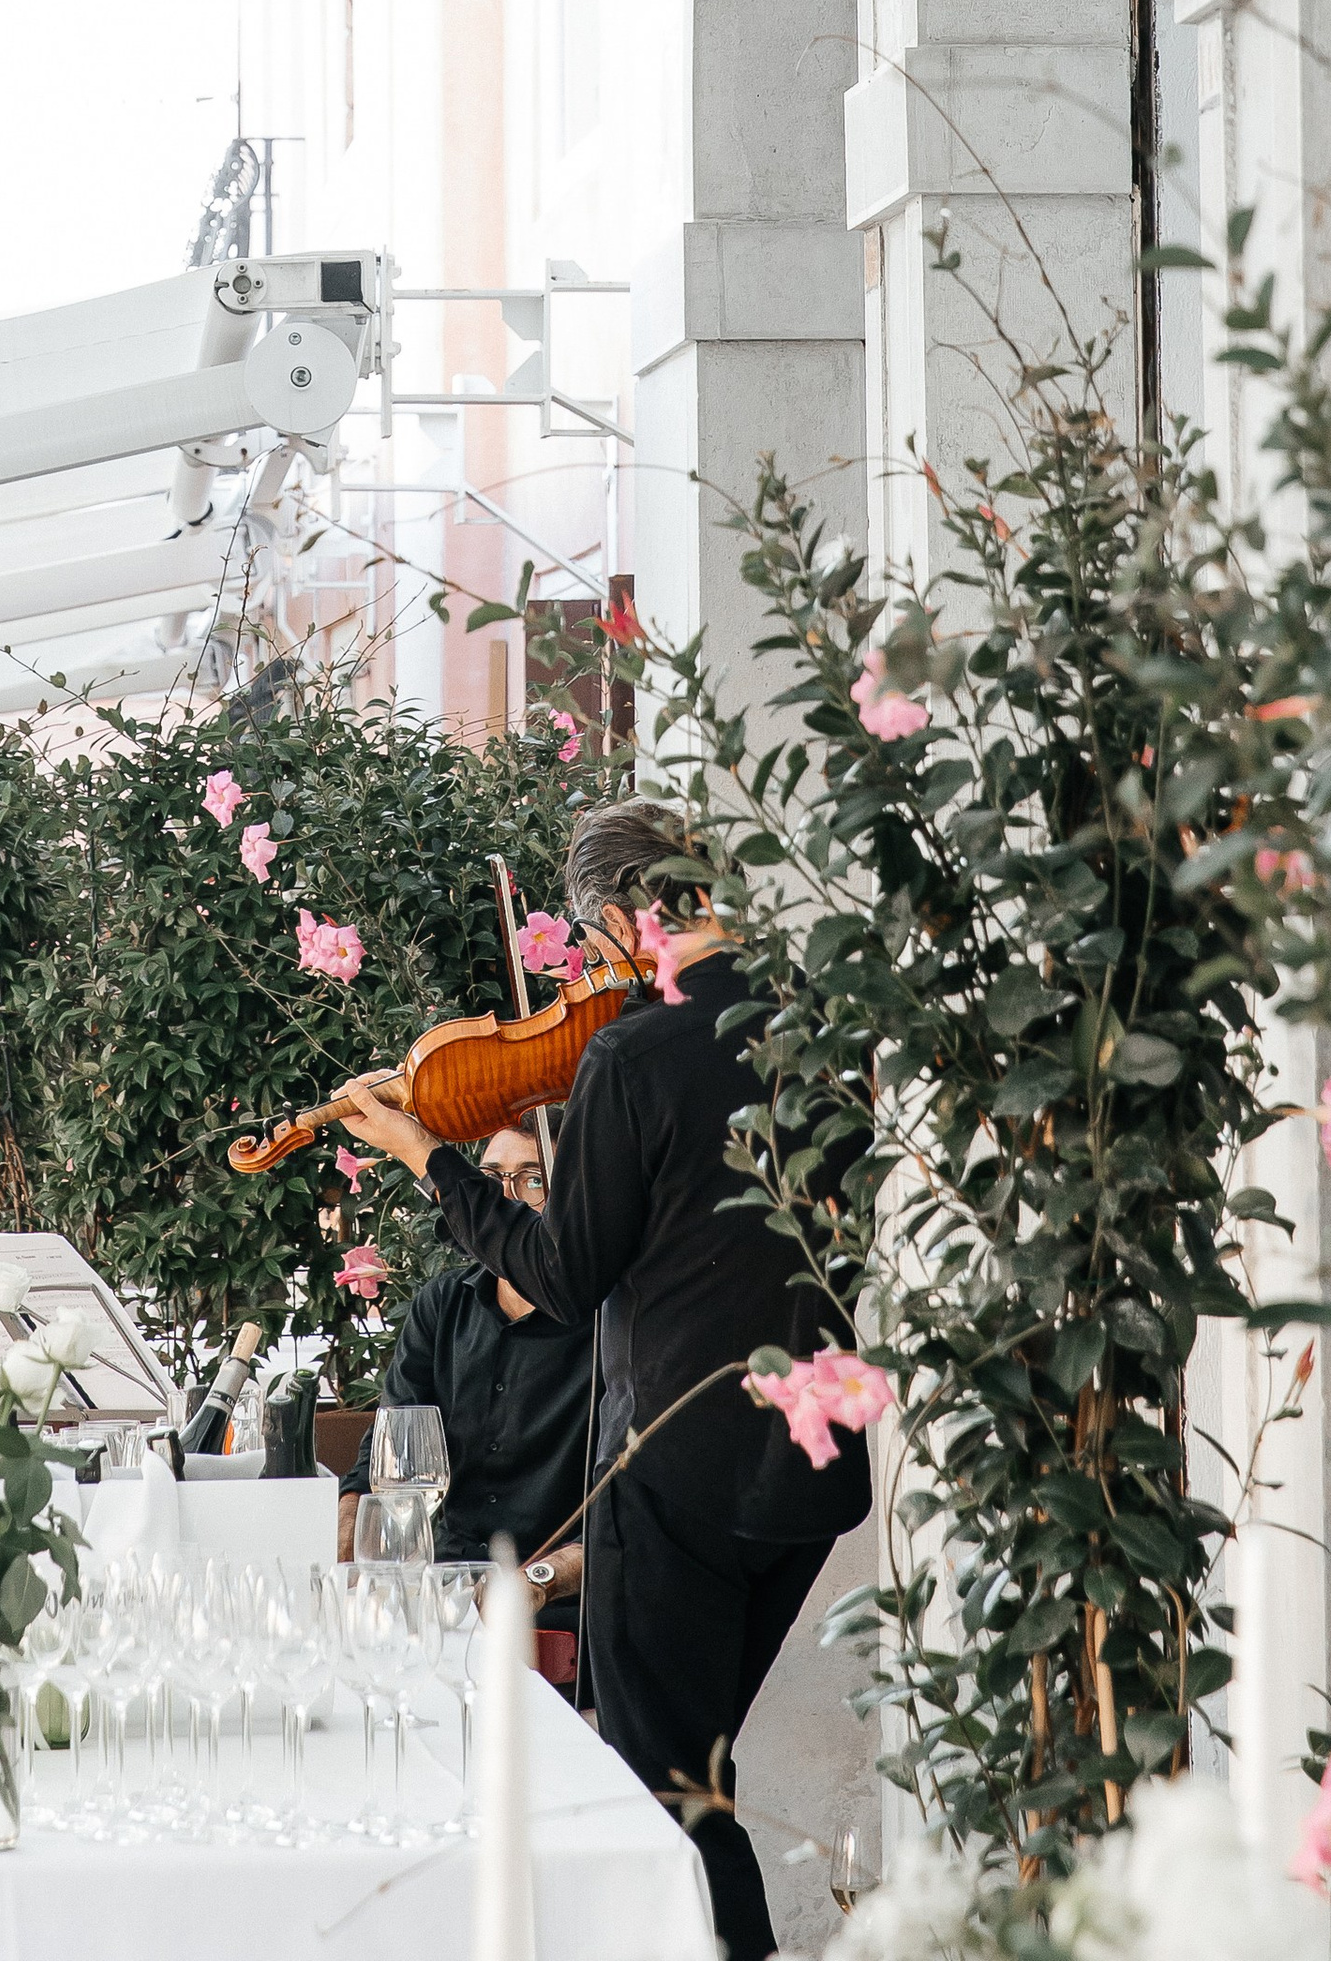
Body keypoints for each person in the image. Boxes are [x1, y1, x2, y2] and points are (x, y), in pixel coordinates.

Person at [336, 800, 868, 1961]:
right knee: (697, 1767)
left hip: (677, 1472)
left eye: (596, 937)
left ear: (629, 915)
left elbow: (564, 1279)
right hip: (807, 1472)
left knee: (669, 1794)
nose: (597, 965)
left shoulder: (636, 1051)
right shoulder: (821, 1028)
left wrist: (431, 1159)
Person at [334, 1126, 592, 1610]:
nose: (503, 1202)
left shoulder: (612, 1324)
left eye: (532, 1180)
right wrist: (349, 1543)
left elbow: (628, 1518)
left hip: (564, 1603)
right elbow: (388, 1450)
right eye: (491, 1180)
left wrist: (535, 1581)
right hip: (443, 1592)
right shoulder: (443, 1302)